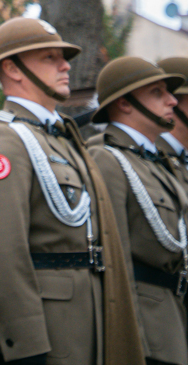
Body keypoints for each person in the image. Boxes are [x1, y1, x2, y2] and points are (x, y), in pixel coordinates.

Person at [0, 16, 143, 365]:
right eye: (49, 57)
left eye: (62, 57)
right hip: (49, 334)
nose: (66, 65)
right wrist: (25, 343)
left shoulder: (59, 138)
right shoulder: (5, 140)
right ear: (13, 69)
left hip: (87, 326)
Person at [88, 57, 188, 365]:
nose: (172, 100)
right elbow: (115, 260)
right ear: (125, 103)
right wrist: (130, 341)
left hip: (172, 319)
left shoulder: (155, 161)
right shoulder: (107, 159)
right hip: (147, 331)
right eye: (157, 93)